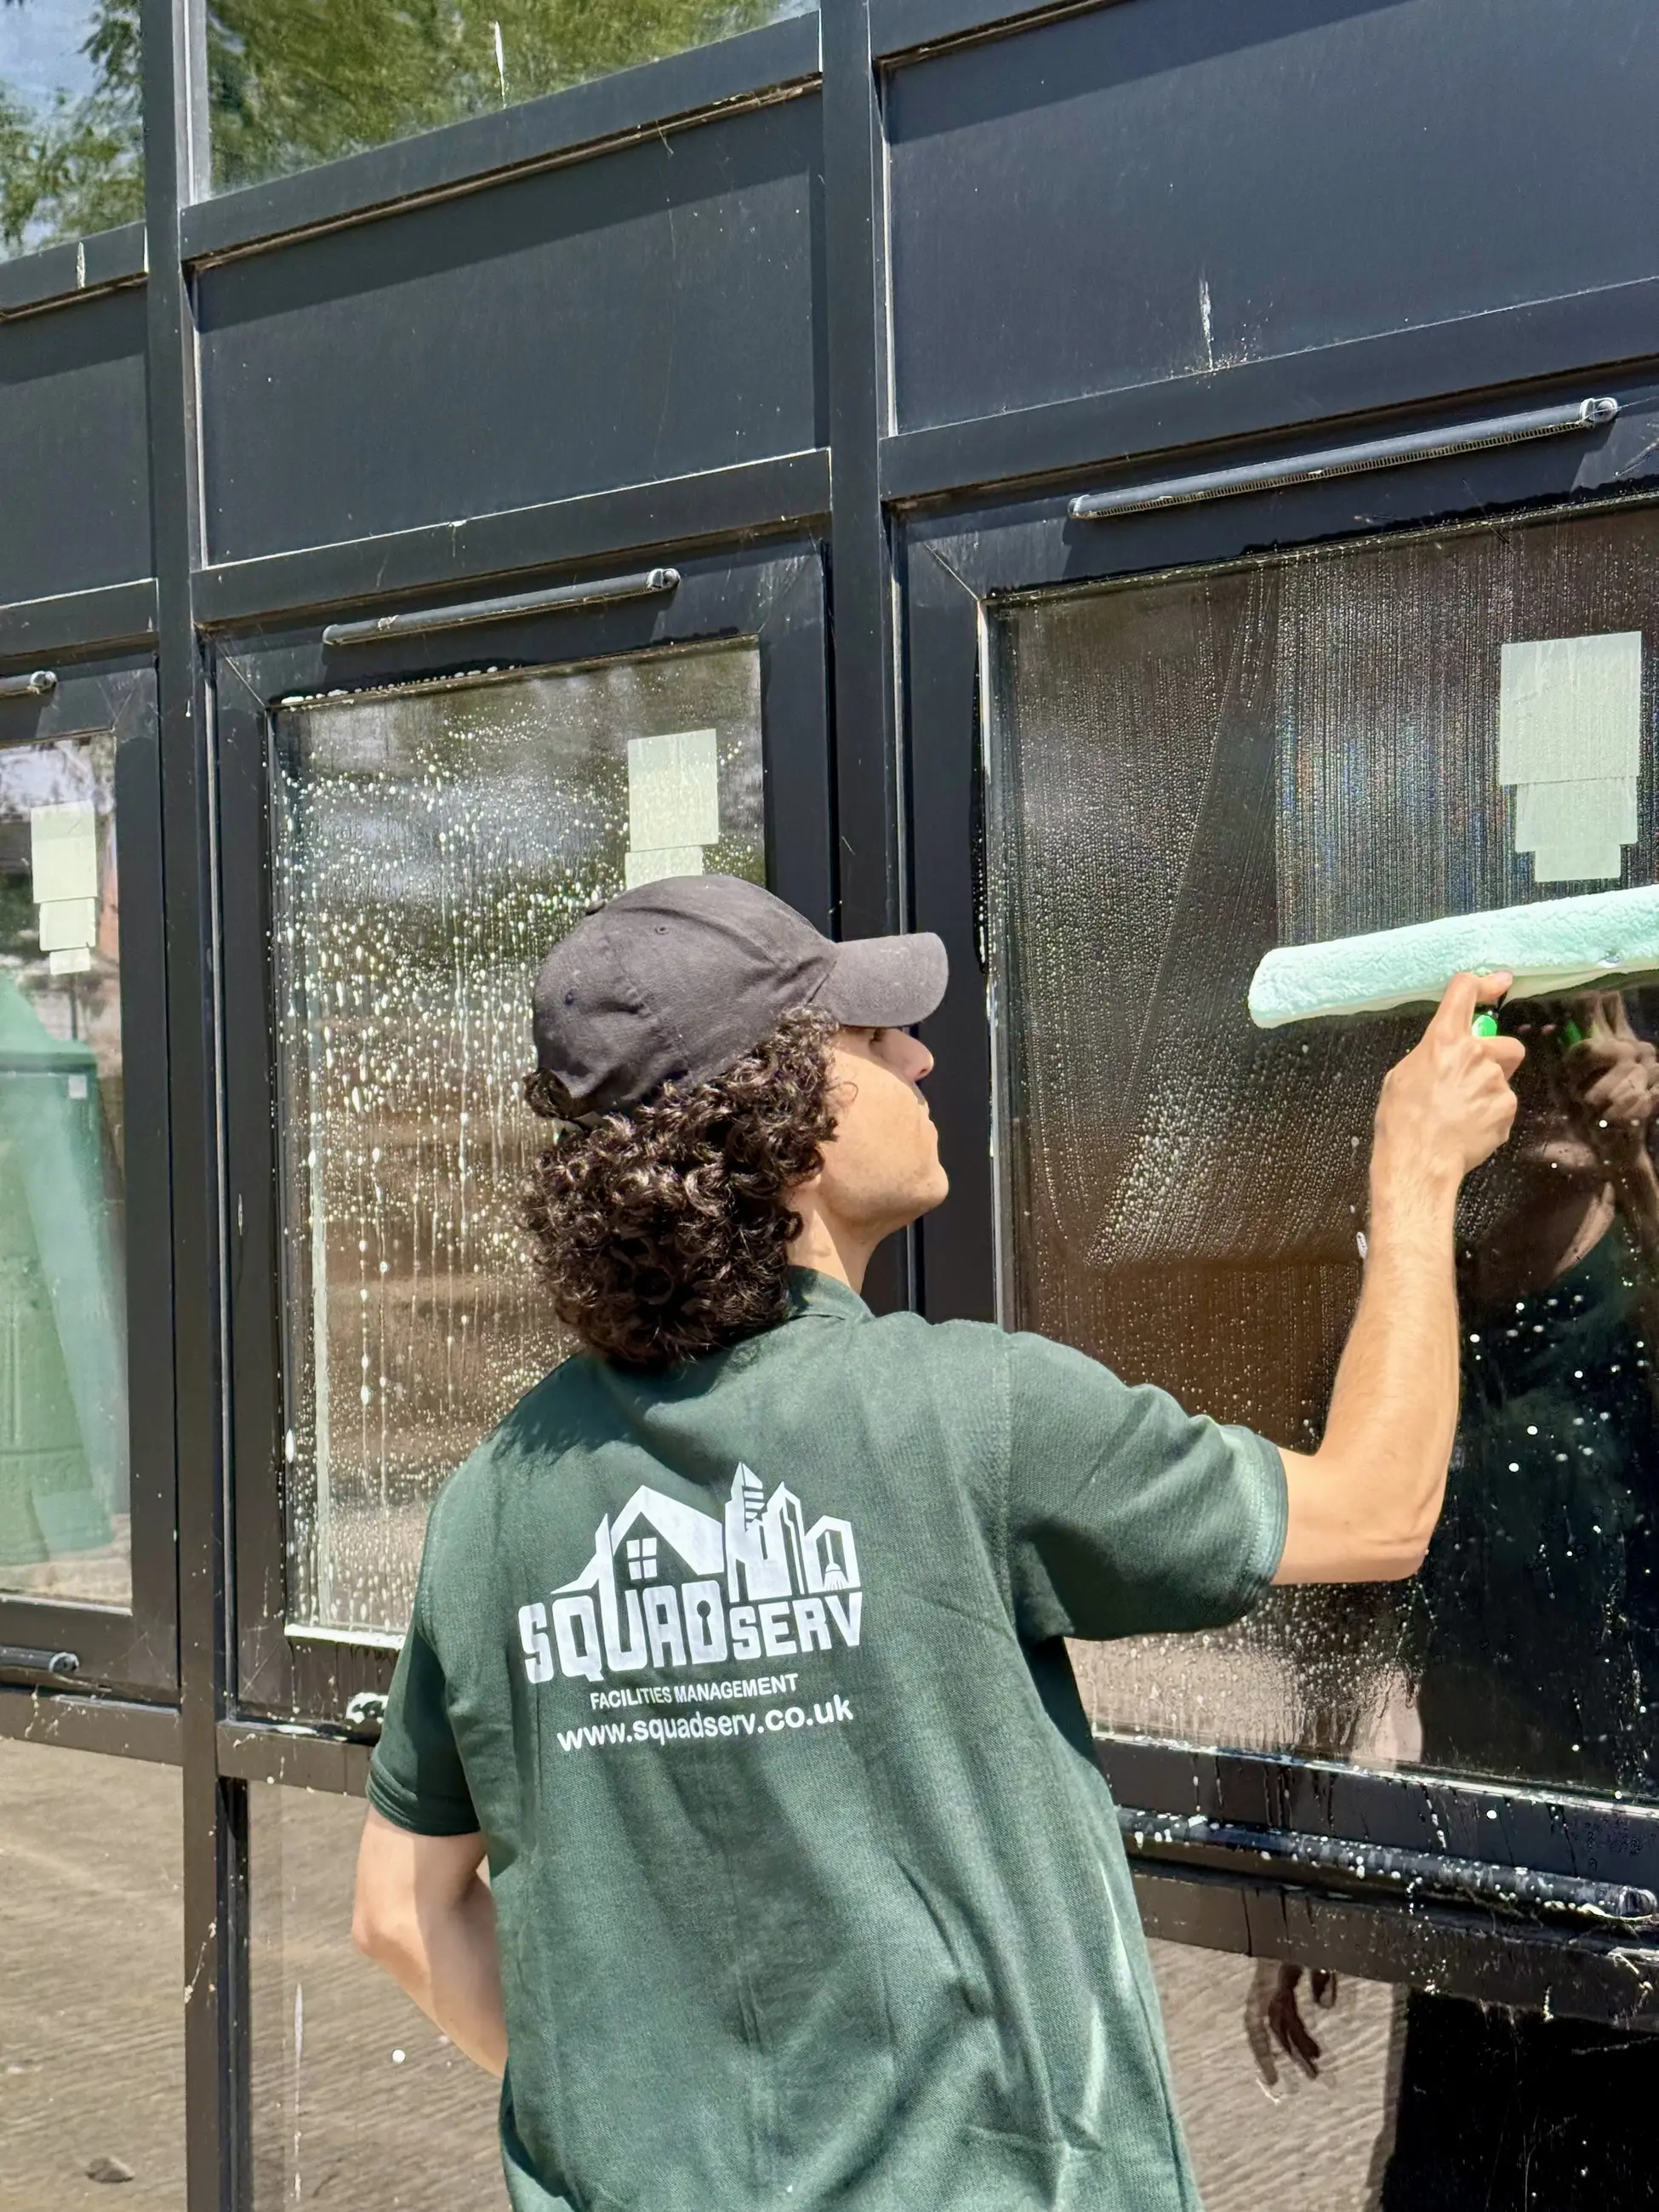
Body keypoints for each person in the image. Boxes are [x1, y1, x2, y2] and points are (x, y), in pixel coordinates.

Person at [351, 872, 1521, 2212]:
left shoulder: (497, 1495)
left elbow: (403, 1910)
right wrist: (1416, 1176)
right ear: (783, 1119)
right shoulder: (973, 1415)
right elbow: (1374, 1512)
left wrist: (657, 2129)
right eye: (870, 1039)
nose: (916, 1056)